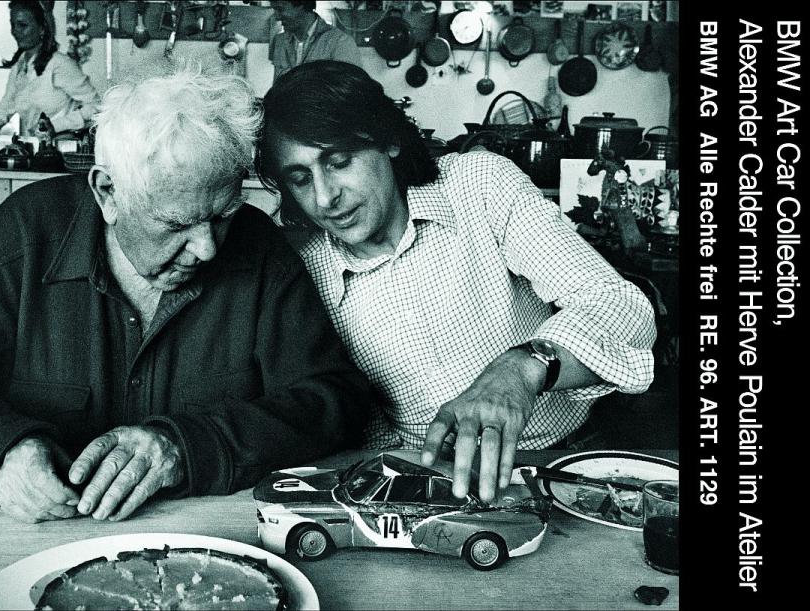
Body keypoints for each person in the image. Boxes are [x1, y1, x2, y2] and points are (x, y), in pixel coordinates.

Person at [0, 68, 372, 524]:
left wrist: (185, 446)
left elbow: (332, 400)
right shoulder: (26, 236)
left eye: (221, 215)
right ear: (108, 193)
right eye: (176, 224)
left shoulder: (258, 247)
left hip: (208, 536)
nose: (208, 247)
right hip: (27, 540)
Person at [255, 61, 657, 504]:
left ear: (387, 139)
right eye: (300, 178)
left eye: (338, 162)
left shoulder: (478, 186)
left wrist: (523, 369)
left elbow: (620, 305)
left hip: (562, 462)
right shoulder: (303, 271)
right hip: (423, 486)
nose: (325, 197)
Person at [0, 0, 100, 147]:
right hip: (38, 154)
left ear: (41, 28)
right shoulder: (20, 68)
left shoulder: (59, 64)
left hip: (64, 155)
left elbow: (96, 107)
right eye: (13, 25)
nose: (15, 31)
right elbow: (0, 114)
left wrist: (56, 126)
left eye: (22, 25)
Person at [269, 1, 362, 82]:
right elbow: (276, 88)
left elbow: (350, 94)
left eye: (280, 9)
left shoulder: (340, 42)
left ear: (301, 5)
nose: (276, 17)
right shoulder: (279, 41)